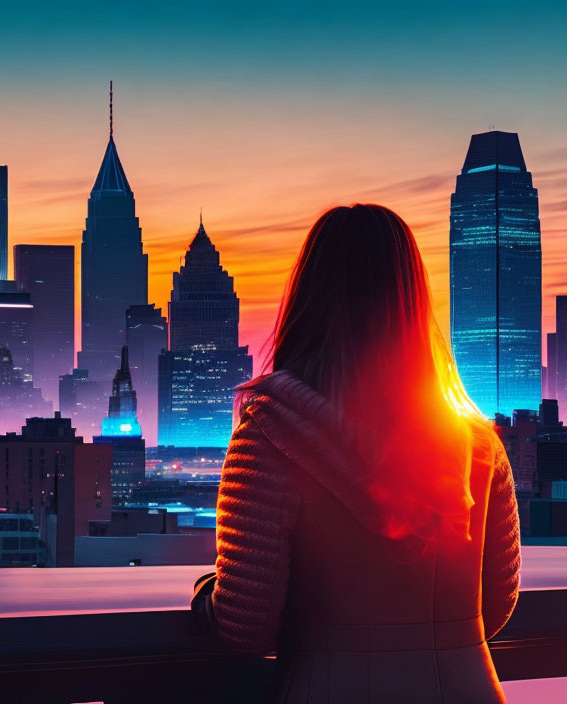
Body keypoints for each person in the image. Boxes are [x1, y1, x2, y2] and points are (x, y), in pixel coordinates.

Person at [191, 204, 521, 702]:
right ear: (414, 302)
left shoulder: (270, 438)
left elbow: (246, 625)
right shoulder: (476, 446)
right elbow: (494, 606)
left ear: (307, 299)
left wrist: (204, 594)